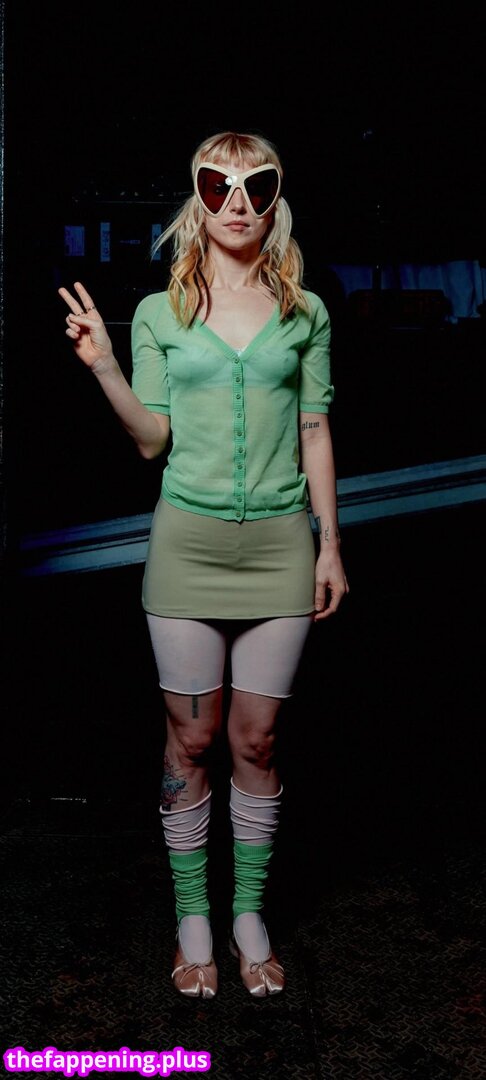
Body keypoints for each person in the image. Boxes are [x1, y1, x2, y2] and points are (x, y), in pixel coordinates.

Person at [59, 130, 349, 1001]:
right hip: (187, 547)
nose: (237, 203)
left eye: (256, 187)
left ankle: (247, 914)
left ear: (275, 199)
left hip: (279, 547)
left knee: (256, 739)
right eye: (218, 186)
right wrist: (105, 366)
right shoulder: (161, 312)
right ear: (197, 196)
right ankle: (194, 917)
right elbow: (152, 440)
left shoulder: (305, 311)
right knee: (191, 739)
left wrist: (330, 544)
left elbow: (315, 430)